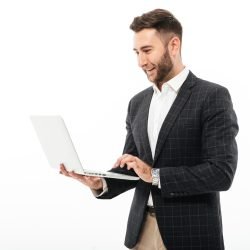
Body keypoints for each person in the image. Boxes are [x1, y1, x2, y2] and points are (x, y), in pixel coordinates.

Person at [60, 9, 239, 250]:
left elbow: (221, 173)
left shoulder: (212, 96)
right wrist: (100, 182)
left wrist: (155, 175)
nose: (141, 62)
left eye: (147, 51)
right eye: (136, 52)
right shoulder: (138, 103)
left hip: (190, 234)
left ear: (173, 45)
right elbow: (133, 169)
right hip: (140, 232)